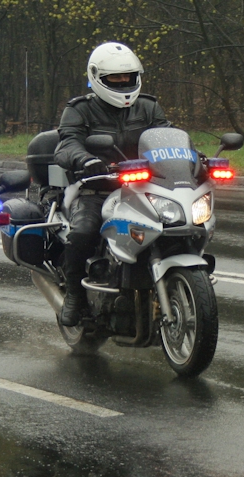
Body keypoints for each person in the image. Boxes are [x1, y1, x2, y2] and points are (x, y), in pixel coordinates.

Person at [53, 42, 171, 327]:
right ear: (97, 78)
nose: (122, 82)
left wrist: (194, 158)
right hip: (98, 188)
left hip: (146, 188)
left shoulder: (149, 107)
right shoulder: (79, 110)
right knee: (82, 232)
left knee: (178, 223)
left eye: (126, 77)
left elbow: (167, 136)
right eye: (114, 78)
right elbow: (66, 144)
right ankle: (75, 296)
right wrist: (84, 159)